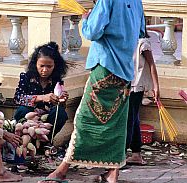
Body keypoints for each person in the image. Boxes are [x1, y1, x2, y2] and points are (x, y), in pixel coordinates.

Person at [38, 1, 145, 183]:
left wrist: (87, 19)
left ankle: (62, 169)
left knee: (85, 119)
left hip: (105, 66)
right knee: (117, 123)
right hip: (126, 70)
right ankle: (113, 173)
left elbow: (92, 32)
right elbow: (141, 31)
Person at [13, 41, 69, 139]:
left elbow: (59, 107)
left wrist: (61, 100)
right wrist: (41, 98)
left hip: (47, 119)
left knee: (60, 113)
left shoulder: (57, 81)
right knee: (22, 110)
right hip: (29, 118)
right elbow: (18, 98)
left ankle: (47, 142)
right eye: (41, 66)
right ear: (36, 64)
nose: (45, 70)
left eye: (49, 66)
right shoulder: (26, 77)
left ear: (55, 66)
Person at [126, 27, 160, 165]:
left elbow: (151, 65)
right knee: (133, 119)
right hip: (128, 84)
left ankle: (122, 153)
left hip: (136, 86)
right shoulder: (126, 40)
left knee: (129, 120)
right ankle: (136, 154)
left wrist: (155, 87)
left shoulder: (142, 43)